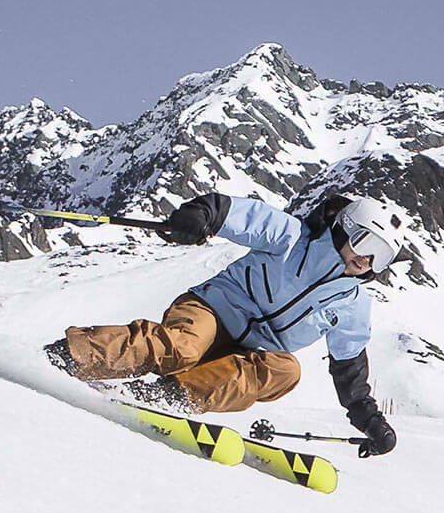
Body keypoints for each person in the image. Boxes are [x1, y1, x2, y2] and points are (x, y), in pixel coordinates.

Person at [45, 192, 399, 457]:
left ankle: (168, 398)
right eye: (367, 244)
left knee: (287, 371)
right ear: (344, 228)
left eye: (380, 257)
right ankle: (69, 356)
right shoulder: (291, 238)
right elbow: (237, 213)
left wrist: (369, 420)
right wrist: (202, 215)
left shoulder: (352, 304)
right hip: (211, 310)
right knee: (182, 348)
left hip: (249, 353)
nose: (366, 260)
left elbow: (349, 367)